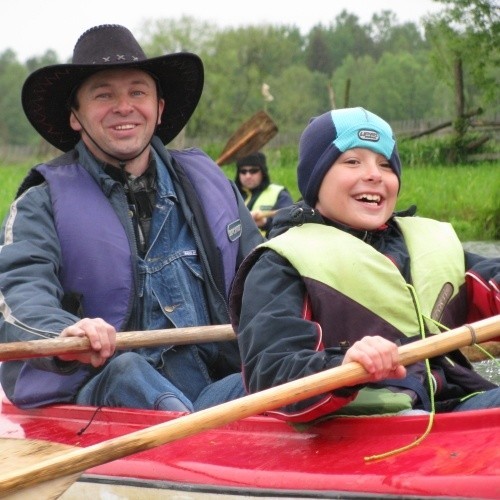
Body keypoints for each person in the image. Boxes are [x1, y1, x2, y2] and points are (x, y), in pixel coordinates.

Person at [0, 24, 264, 412]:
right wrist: (65, 334)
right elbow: (19, 293)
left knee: (279, 374)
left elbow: (264, 274)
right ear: (75, 116)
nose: (124, 107)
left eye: (137, 92)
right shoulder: (40, 203)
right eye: (103, 94)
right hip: (108, 395)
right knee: (129, 371)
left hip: (216, 391)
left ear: (158, 109)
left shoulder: (212, 184)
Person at [229, 107, 500, 422]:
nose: (374, 174)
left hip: (453, 405)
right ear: (316, 179)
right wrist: (344, 366)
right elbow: (271, 372)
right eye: (352, 161)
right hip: (358, 423)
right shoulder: (280, 263)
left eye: (385, 164)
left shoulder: (430, 242)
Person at [235, 152, 294, 237]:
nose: (248, 176)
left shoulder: (279, 194)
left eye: (253, 171)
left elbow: (289, 225)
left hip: (265, 247)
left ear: (263, 172)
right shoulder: (230, 195)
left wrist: (265, 223)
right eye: (243, 171)